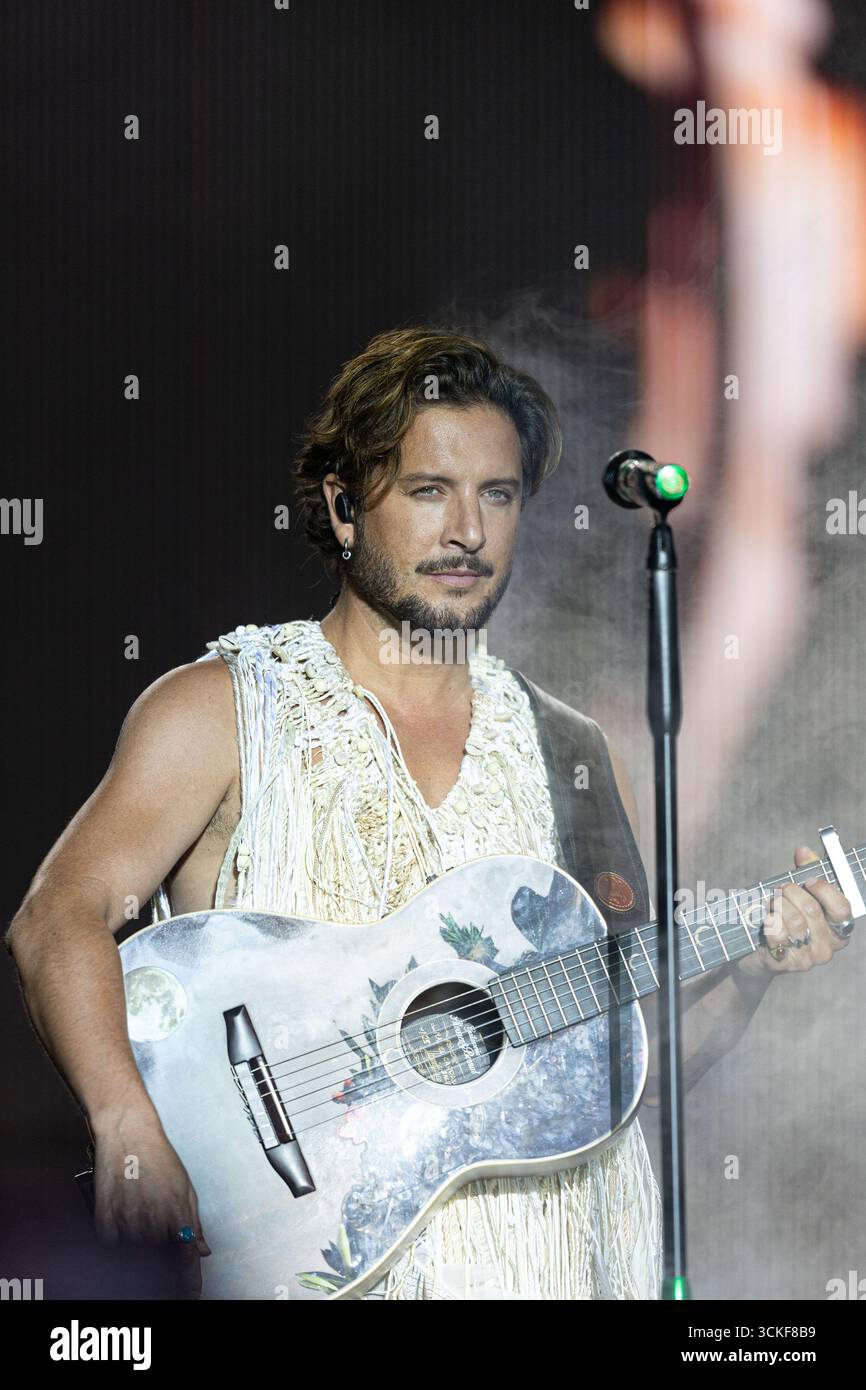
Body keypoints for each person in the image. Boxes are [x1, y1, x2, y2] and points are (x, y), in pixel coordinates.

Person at [5, 327, 854, 1301]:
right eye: (427, 489)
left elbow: (624, 1081)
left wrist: (747, 966)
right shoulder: (222, 708)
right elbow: (54, 918)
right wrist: (123, 1126)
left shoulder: (564, 748)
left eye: (496, 494)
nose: (467, 530)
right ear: (342, 506)